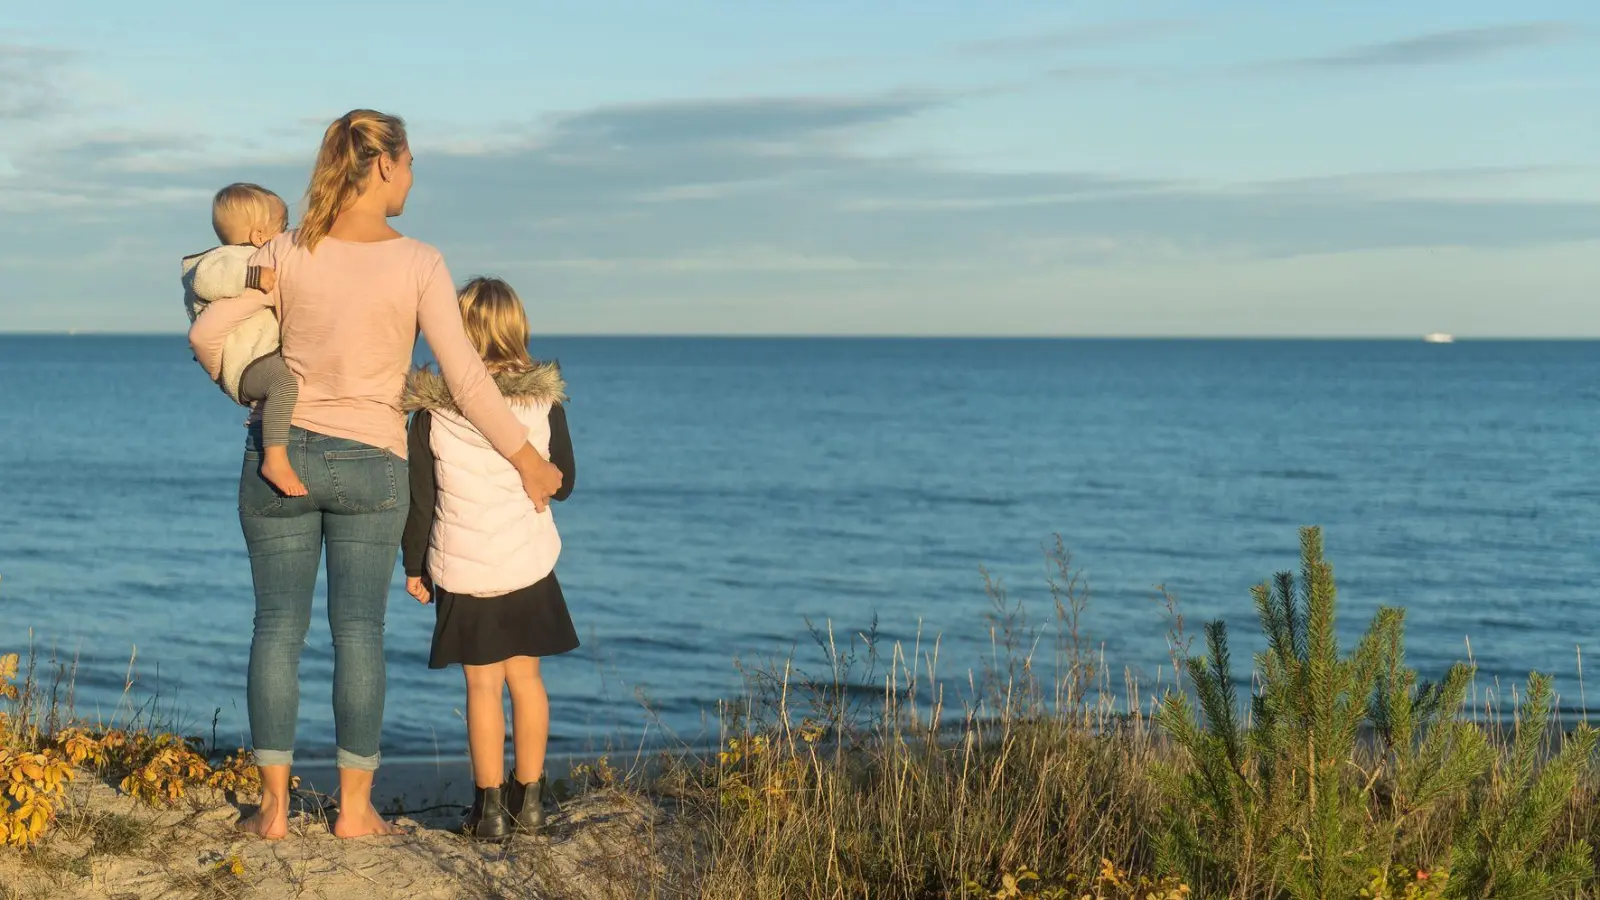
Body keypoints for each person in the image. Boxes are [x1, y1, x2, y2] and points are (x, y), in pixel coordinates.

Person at [188, 110, 565, 841]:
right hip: (374, 465)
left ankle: (273, 810)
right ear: (383, 165)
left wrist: (246, 389)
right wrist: (526, 458)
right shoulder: (419, 262)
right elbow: (467, 379)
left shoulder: (288, 248)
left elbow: (205, 332)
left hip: (282, 455)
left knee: (276, 630)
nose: (414, 175)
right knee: (358, 633)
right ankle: (355, 812)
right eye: (411, 160)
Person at [400, 276, 579, 839]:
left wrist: (413, 565)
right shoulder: (543, 402)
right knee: (527, 681)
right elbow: (564, 482)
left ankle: (489, 810)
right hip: (526, 562)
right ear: (517, 329)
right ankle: (530, 801)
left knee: (481, 688)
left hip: (465, 563)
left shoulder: (433, 414)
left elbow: (421, 499)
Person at [182, 183, 305, 497]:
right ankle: (274, 459)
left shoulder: (249, 255)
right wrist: (252, 276)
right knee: (285, 385)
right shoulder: (224, 260)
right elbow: (206, 281)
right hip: (246, 361)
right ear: (260, 236)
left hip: (258, 354)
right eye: (283, 227)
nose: (287, 233)